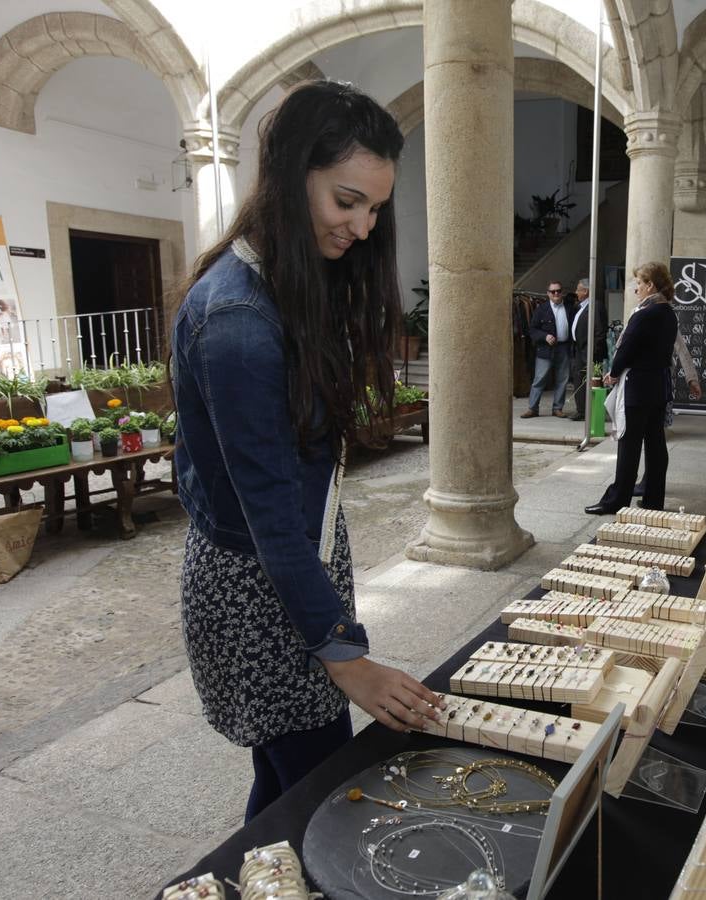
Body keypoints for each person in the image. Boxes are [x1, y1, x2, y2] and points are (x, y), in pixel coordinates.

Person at [170, 80, 441, 822]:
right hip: (259, 584)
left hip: (292, 565)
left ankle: (255, 873)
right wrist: (344, 654)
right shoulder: (235, 321)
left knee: (293, 783)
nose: (362, 224)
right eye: (346, 200)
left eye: (376, 207)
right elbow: (271, 515)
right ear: (292, 177)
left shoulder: (283, 280)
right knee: (318, 788)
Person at [585, 262, 679, 515]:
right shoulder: (668, 313)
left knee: (629, 446)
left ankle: (617, 501)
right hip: (659, 387)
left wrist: (613, 373)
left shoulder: (644, 314)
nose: (636, 288)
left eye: (639, 283)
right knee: (656, 445)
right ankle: (652, 500)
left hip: (637, 388)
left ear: (650, 285)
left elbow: (627, 348)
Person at [522, 280, 575, 418]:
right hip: (545, 349)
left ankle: (557, 408)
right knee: (539, 379)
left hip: (564, 347)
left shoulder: (570, 307)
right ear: (548, 294)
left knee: (562, 379)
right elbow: (532, 330)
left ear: (562, 292)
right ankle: (532, 408)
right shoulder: (541, 309)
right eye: (553, 291)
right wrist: (545, 336)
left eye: (558, 291)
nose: (556, 293)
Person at [569, 277, 607, 422]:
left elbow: (600, 331)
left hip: (589, 352)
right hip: (579, 350)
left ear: (585, 291)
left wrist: (592, 353)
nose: (576, 292)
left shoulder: (596, 306)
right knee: (578, 381)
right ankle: (581, 410)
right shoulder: (580, 306)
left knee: (592, 381)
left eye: (578, 289)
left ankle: (591, 412)